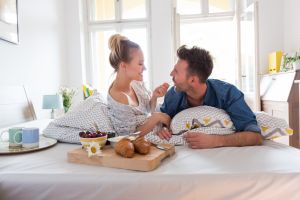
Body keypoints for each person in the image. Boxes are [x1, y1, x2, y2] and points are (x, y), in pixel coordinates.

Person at [158, 45, 263, 149]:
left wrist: (216, 141)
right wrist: (163, 129)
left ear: (193, 80)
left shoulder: (228, 94)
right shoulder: (173, 95)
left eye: (176, 71)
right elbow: (163, 120)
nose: (171, 74)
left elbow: (255, 137)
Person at [107, 34, 170, 136]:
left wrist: (154, 96)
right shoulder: (120, 97)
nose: (144, 68)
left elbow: (146, 110)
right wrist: (156, 118)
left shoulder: (135, 83)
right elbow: (129, 136)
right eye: (140, 64)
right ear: (123, 65)